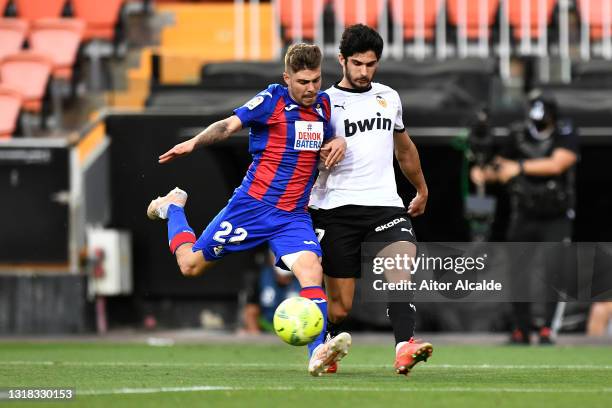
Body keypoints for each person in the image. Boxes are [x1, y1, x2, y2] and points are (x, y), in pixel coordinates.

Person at [146, 43, 349, 376]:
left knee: (312, 271)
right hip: (251, 207)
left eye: (315, 80)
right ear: (287, 79)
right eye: (303, 82)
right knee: (190, 266)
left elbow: (326, 143)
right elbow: (228, 125)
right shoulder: (272, 100)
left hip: (293, 216)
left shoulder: (325, 106)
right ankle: (173, 208)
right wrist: (193, 144)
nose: (311, 88)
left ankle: (318, 353)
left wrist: (339, 141)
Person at [309, 24, 433, 376]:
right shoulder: (323, 102)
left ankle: (404, 347)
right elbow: (299, 153)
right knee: (340, 306)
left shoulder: (388, 97)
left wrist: (421, 189)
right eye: (358, 64)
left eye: (371, 64)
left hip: (384, 205)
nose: (365, 72)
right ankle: (324, 349)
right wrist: (322, 151)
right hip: (335, 209)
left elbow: (404, 148)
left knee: (401, 262)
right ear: (342, 60)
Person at [471, 90, 579, 345]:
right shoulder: (518, 133)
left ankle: (547, 330)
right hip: (524, 213)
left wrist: (518, 167)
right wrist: (484, 171)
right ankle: (521, 328)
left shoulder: (565, 131)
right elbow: (500, 168)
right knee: (518, 271)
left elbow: (557, 164)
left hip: (555, 213)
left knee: (554, 270)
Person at [241, 250, 301, 334]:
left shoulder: (305, 278)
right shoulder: (261, 277)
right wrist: (256, 336)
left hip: (297, 330)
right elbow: (251, 311)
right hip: (267, 328)